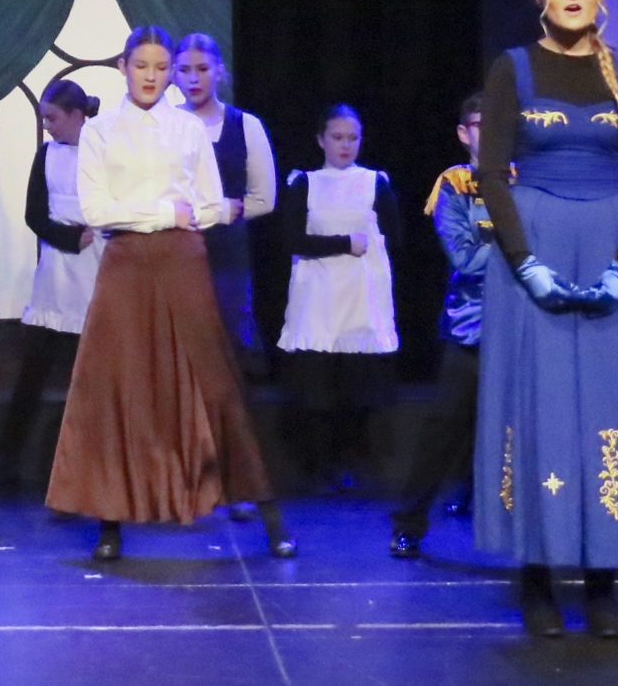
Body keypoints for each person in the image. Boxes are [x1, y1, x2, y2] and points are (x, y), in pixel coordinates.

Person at [473, 0, 618, 639]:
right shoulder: (512, 68)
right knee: (539, 405)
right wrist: (525, 262)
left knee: (607, 405)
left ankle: (603, 583)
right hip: (534, 246)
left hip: (608, 244)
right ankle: (537, 579)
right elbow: (491, 173)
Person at [48, 27, 294, 561]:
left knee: (214, 381)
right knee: (117, 385)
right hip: (126, 263)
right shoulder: (100, 131)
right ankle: (109, 522)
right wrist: (163, 212)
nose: (152, 76)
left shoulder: (188, 128)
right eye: (142, 66)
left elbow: (207, 204)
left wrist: (182, 215)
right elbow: (97, 210)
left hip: (183, 259)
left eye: (161, 68)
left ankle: (268, 514)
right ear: (123, 67)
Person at [0, 79, 105, 491]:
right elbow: (34, 214)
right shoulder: (47, 155)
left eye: (52, 118)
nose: (47, 126)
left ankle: (88, 463)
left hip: (96, 273)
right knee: (32, 374)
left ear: (76, 115)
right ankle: (8, 457)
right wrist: (69, 237)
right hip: (55, 277)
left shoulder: (103, 151)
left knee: (90, 379)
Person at [275, 105, 402, 493]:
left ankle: (353, 461)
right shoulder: (305, 183)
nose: (345, 145)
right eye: (337, 137)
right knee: (318, 384)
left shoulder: (375, 182)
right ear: (321, 140)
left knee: (356, 383)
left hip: (360, 293)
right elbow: (291, 240)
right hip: (319, 294)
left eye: (352, 138)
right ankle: (319, 464)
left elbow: (396, 237)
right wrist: (344, 243)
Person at [390, 93, 490, 558]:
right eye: (481, 124)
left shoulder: (528, 181)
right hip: (472, 328)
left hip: (525, 330)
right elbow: (465, 257)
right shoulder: (455, 185)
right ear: (464, 133)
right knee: (443, 427)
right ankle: (409, 521)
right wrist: (522, 249)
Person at [172, 36, 276, 386]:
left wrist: (226, 211)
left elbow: (265, 198)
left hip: (228, 251)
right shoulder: (164, 126)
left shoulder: (245, 125)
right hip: (177, 247)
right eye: (185, 70)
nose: (193, 78)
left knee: (229, 340)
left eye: (202, 69)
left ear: (219, 72)